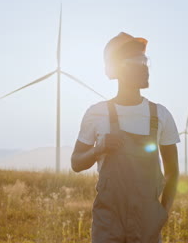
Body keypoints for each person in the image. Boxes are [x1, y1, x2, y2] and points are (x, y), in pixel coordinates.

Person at [71, 32, 180, 243]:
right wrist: (98, 149)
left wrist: (161, 214)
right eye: (137, 61)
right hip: (108, 224)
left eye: (146, 61)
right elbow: (76, 163)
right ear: (118, 68)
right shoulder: (96, 113)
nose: (145, 67)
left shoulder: (161, 115)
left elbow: (173, 172)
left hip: (148, 225)